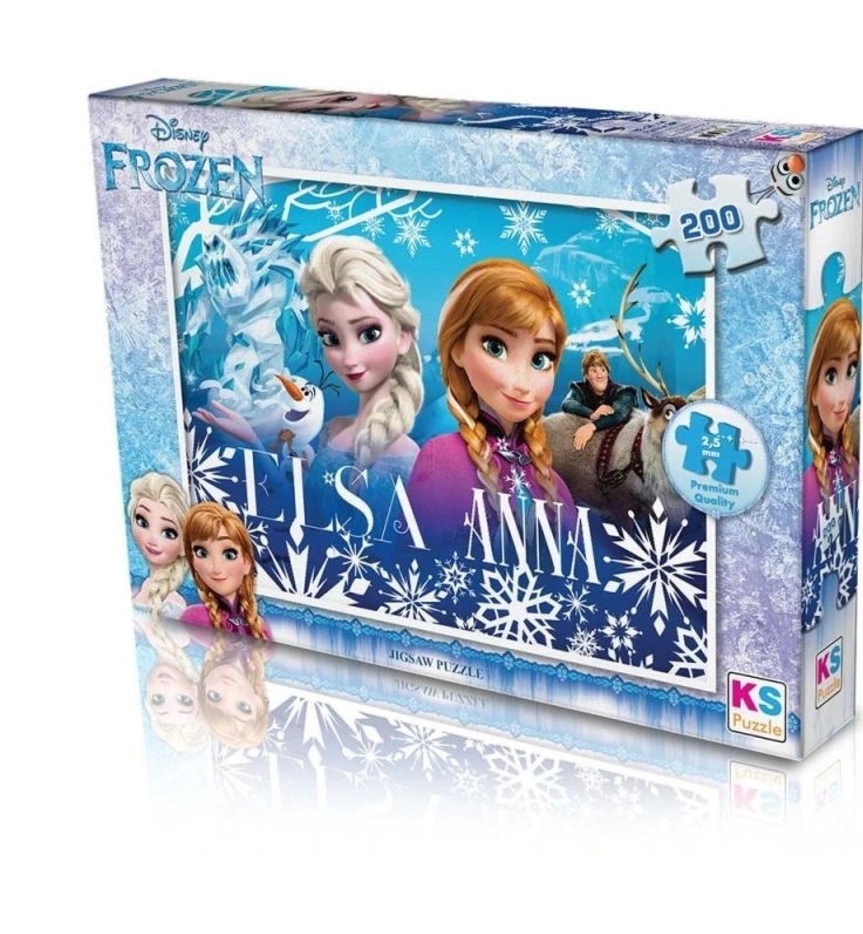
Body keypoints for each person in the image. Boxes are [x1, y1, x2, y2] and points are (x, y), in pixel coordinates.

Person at [407, 258, 574, 541]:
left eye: (540, 359)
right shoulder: (442, 460)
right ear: (458, 348)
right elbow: (415, 561)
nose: (521, 382)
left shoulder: (554, 485)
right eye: (495, 347)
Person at [300, 236, 423, 470]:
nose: (349, 359)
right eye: (332, 338)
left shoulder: (406, 456)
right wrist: (252, 440)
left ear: (403, 336)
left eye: (369, 334)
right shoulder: (333, 429)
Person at [802, 297, 861, 568]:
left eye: (851, 370)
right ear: (813, 390)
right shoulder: (806, 488)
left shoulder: (855, 468)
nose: (843, 396)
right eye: (831, 376)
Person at [181, 502, 270, 640]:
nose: (216, 569)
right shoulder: (193, 618)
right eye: (202, 553)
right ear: (193, 562)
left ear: (247, 562)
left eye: (229, 554)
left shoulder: (260, 628)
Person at [127, 472, 189, 615]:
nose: (152, 539)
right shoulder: (145, 584)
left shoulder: (173, 604)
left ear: (183, 546)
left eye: (168, 533)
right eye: (142, 522)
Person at [559, 349, 638, 452]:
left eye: (603, 370)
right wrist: (592, 414)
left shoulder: (624, 392)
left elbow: (620, 415)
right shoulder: (580, 389)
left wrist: (592, 426)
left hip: (625, 448)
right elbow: (567, 403)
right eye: (594, 371)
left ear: (608, 372)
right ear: (586, 375)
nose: (600, 375)